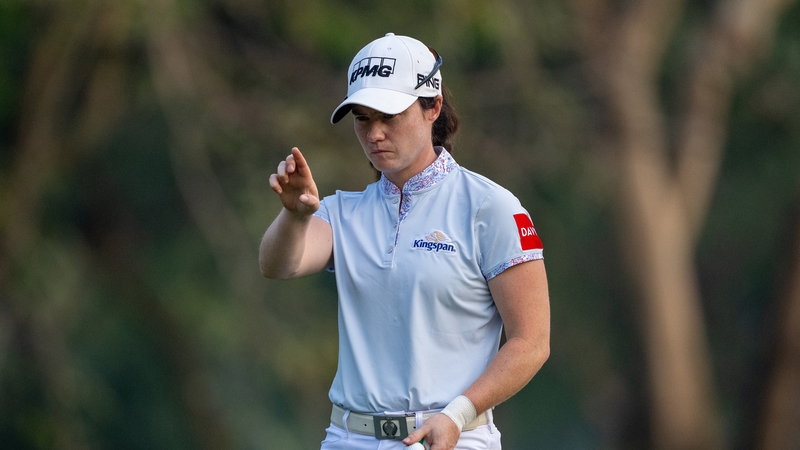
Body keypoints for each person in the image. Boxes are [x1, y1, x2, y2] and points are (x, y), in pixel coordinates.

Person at [259, 33, 550, 450]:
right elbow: (278, 265)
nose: (374, 134)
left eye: (389, 116)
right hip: (348, 439)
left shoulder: (490, 208)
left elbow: (532, 342)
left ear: (432, 107)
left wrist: (457, 414)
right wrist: (294, 215)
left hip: (455, 437)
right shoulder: (343, 212)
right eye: (362, 119)